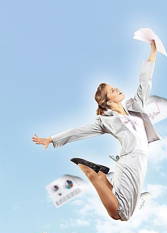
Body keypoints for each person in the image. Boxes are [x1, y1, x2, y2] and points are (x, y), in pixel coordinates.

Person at [32, 40, 160, 221]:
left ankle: (100, 175)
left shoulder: (134, 107)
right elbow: (78, 131)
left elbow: (144, 82)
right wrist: (52, 139)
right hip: (131, 159)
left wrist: (153, 53)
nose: (118, 89)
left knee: (122, 208)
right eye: (113, 91)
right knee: (121, 214)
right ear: (107, 101)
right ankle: (95, 176)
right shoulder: (106, 121)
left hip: (136, 160)